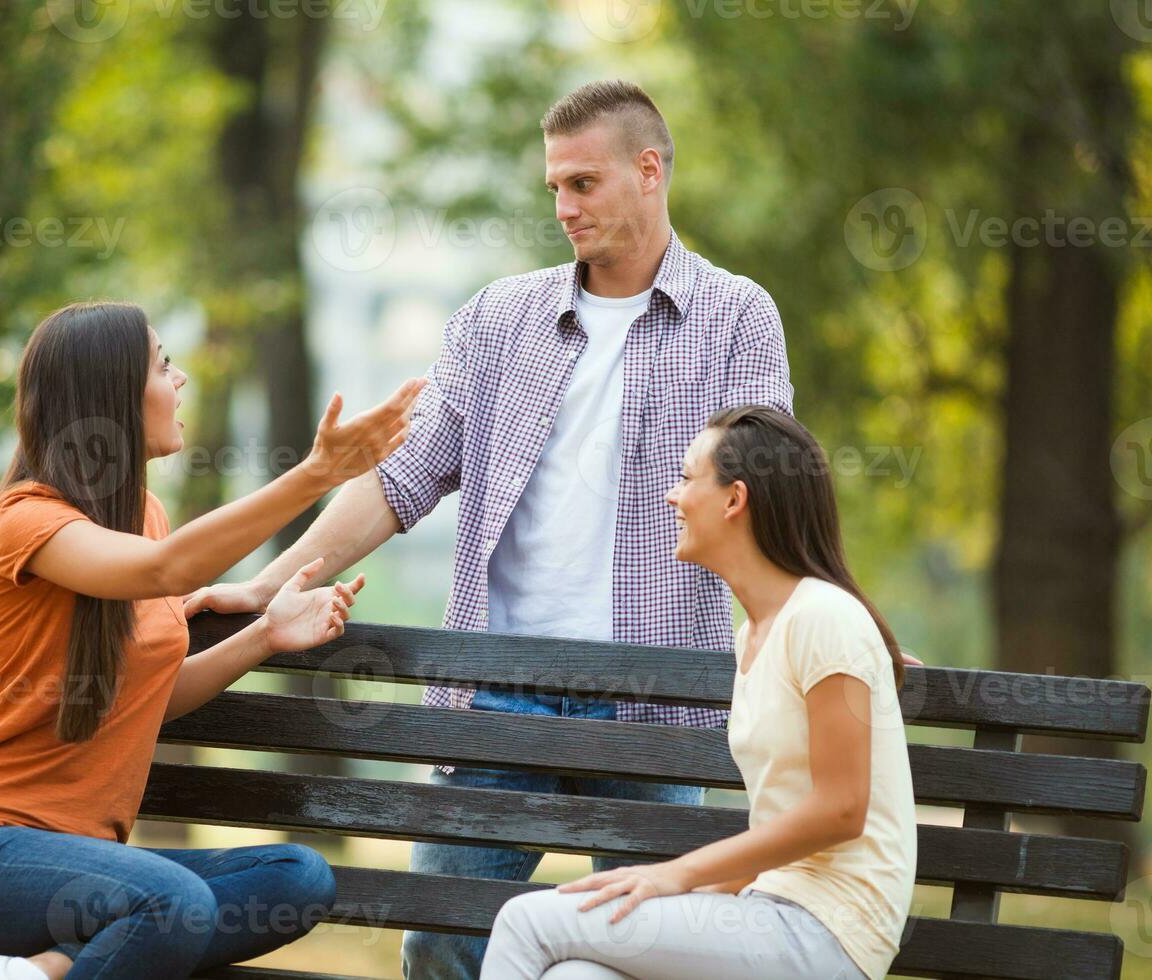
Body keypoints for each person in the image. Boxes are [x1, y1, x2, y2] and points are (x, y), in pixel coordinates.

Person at [185, 79, 795, 979]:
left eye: (583, 183)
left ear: (650, 170)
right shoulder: (499, 319)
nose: (563, 207)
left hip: (659, 698)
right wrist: (280, 584)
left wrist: (836, 615)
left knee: (653, 962)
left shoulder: (738, 316)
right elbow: (398, 481)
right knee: (440, 948)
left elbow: (774, 500)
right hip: (499, 691)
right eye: (554, 186)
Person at [0, 301, 425, 980]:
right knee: (174, 903)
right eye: (162, 365)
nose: (179, 382)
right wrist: (318, 474)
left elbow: (146, 695)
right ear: (110, 391)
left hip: (85, 868)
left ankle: (44, 972)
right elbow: (166, 568)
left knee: (296, 876)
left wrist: (264, 634)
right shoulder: (26, 521)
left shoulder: (144, 518)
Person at [478, 405, 918, 980]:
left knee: (526, 921)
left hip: (827, 932)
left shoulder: (825, 618)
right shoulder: (756, 634)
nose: (672, 496)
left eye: (687, 478)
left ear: (734, 500)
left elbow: (841, 810)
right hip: (766, 912)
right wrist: (682, 891)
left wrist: (674, 876)